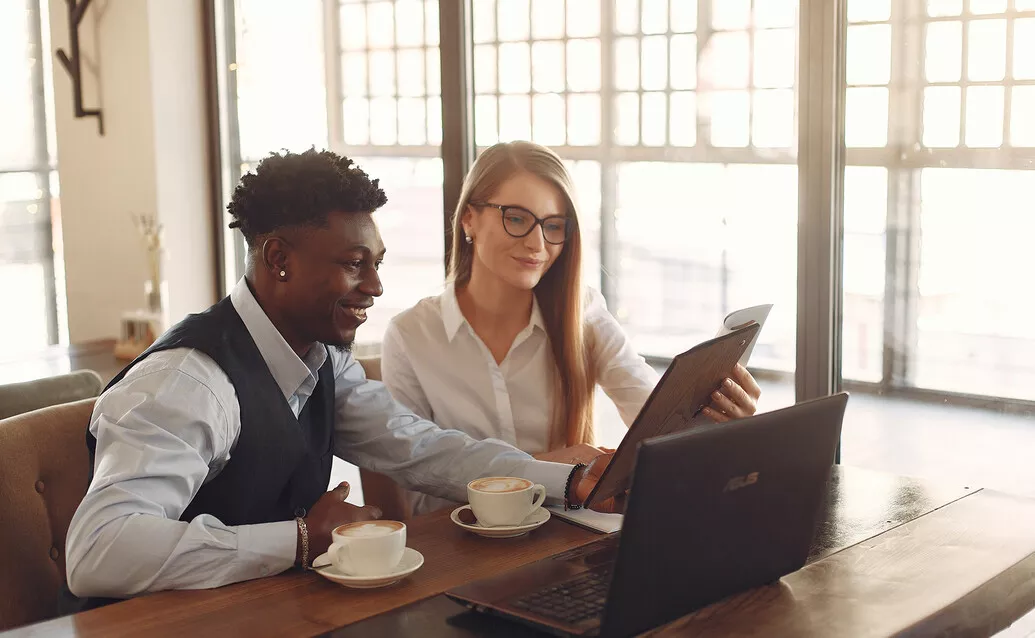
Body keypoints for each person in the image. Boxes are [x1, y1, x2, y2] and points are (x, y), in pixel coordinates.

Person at [64, 149, 617, 602]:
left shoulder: (321, 359)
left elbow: (419, 448)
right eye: (355, 263)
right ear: (279, 258)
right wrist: (300, 541)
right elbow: (99, 552)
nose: (375, 286)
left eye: (377, 262)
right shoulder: (189, 382)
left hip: (271, 612)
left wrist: (569, 482)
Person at [381, 141, 761, 517]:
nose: (537, 243)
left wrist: (722, 425)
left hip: (567, 539)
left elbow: (655, 419)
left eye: (554, 226)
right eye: (516, 218)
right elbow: (420, 488)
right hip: (463, 548)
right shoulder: (410, 336)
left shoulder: (584, 312)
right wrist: (548, 469)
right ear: (469, 219)